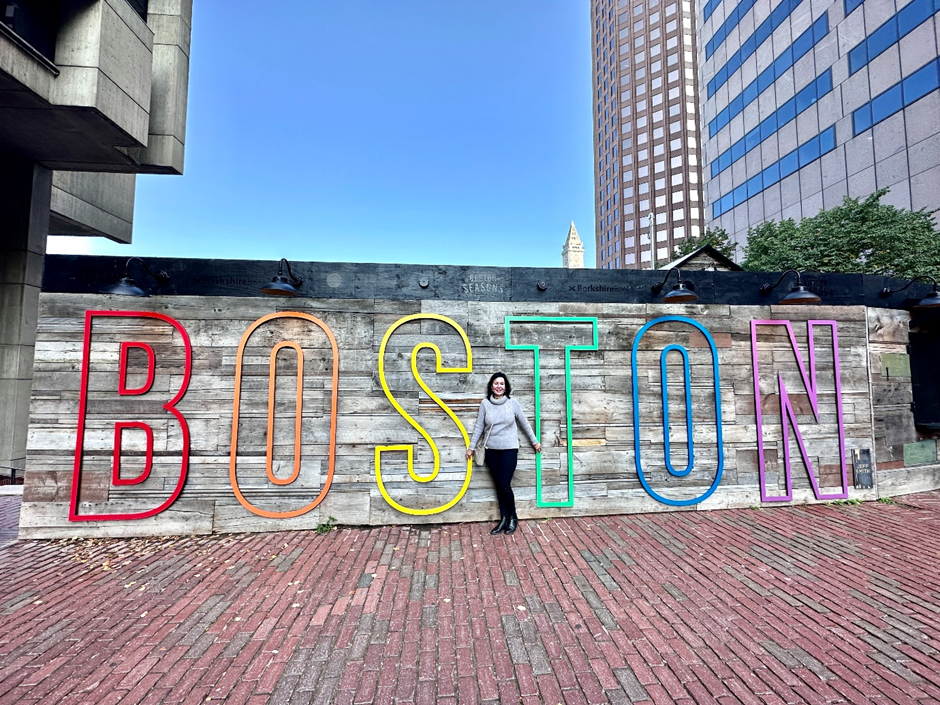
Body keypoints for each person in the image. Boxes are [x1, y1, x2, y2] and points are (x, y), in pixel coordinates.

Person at [466, 372, 542, 535]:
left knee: (504, 484)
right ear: (491, 386)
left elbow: (524, 423)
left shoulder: (512, 403)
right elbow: (479, 427)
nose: (498, 386)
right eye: (496, 383)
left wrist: (534, 441)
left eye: (501, 383)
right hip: (491, 451)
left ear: (506, 386)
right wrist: (471, 447)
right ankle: (504, 519)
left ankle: (513, 517)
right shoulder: (485, 404)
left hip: (509, 450)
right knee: (498, 486)